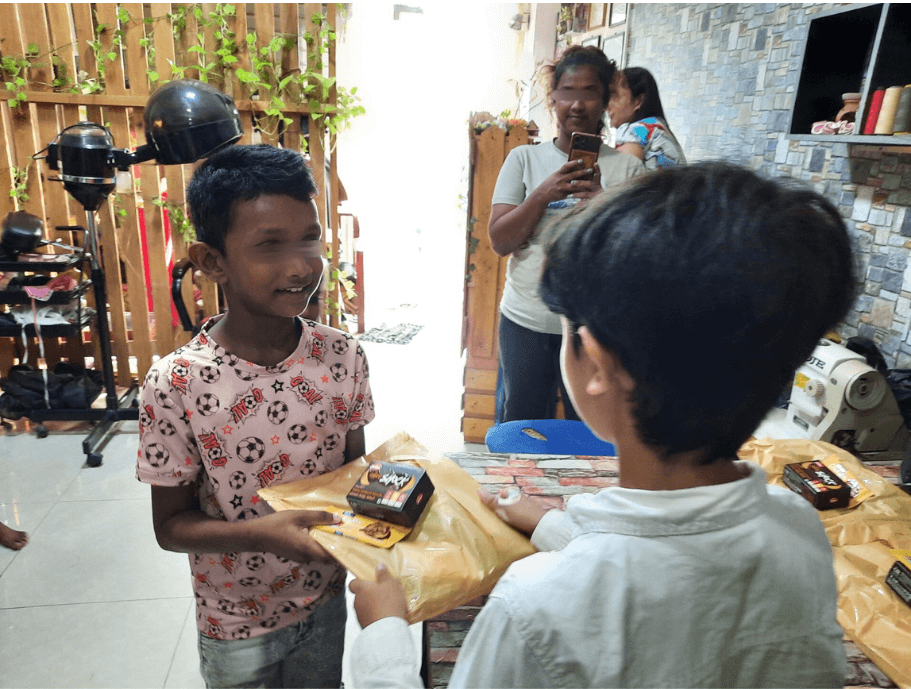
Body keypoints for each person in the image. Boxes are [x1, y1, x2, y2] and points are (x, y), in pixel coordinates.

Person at [348, 162, 853, 688]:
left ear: (596, 361)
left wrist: (384, 634)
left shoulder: (534, 608)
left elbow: (627, 581)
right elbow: (673, 561)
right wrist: (551, 525)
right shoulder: (798, 530)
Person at [136, 144, 374, 689]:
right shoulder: (177, 383)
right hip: (233, 621)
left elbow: (354, 474)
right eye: (270, 245)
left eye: (309, 238)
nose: (301, 265)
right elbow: (170, 527)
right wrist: (266, 534)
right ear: (212, 261)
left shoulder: (343, 357)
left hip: (324, 600)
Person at [490, 45, 644, 424]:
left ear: (605, 99)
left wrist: (604, 204)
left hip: (594, 329)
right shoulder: (523, 159)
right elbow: (499, 241)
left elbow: (639, 261)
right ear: (553, 99)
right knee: (523, 423)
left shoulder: (629, 171)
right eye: (568, 93)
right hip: (524, 320)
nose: (577, 104)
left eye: (589, 92)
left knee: (591, 426)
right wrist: (543, 194)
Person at [609, 66, 686, 170]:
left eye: (613, 95)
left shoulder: (636, 131)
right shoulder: (659, 129)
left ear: (638, 101)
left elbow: (616, 179)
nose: (606, 105)